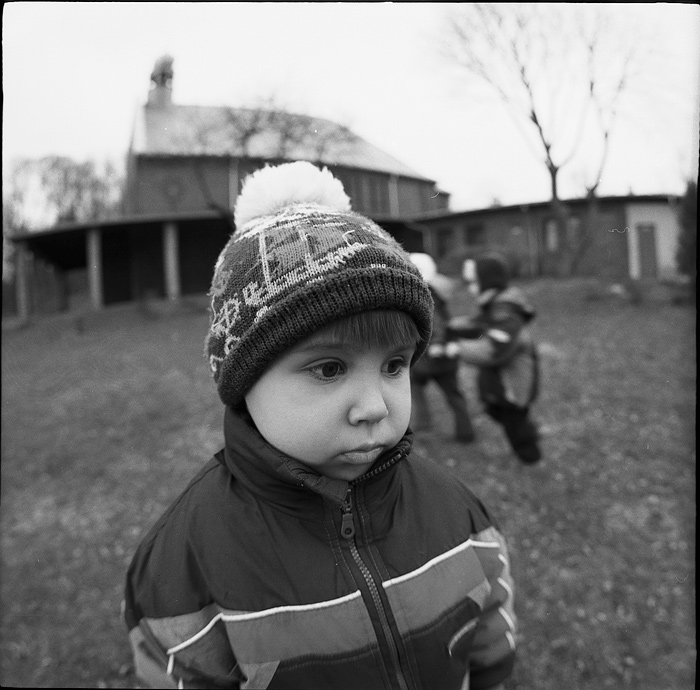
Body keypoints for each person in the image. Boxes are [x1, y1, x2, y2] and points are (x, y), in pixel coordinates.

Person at [123, 162, 516, 690]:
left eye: (394, 365)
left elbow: (490, 638)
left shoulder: (453, 509)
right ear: (244, 380)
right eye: (329, 369)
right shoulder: (186, 563)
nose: (374, 407)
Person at [448, 252, 541, 465]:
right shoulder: (495, 306)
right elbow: (478, 323)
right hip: (504, 383)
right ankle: (529, 432)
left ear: (487, 283)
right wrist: (452, 326)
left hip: (514, 386)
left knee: (515, 424)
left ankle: (531, 458)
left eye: (474, 283)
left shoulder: (506, 313)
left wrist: (456, 348)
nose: (471, 289)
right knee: (495, 411)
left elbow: (494, 350)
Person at [408, 253, 475, 443]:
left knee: (416, 385)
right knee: (453, 394)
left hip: (432, 355)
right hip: (444, 355)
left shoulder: (423, 296)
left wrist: (436, 344)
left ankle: (425, 426)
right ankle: (464, 431)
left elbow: (436, 323)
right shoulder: (437, 292)